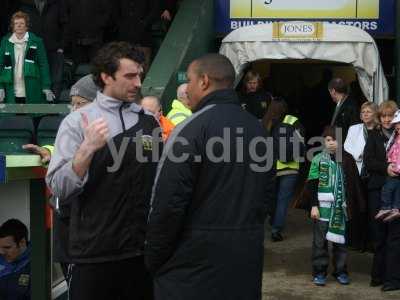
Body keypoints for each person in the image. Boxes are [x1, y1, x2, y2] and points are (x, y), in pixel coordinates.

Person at [145, 53, 276, 300]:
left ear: (204, 81)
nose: (187, 89)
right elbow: (267, 194)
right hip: (244, 258)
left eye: (191, 81)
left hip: (191, 267)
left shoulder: (191, 128)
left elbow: (167, 202)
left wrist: (154, 259)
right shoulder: (256, 128)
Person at [46, 41, 162, 300]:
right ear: (106, 77)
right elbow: (58, 187)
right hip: (92, 255)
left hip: (140, 254)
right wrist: (87, 149)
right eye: (130, 76)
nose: (138, 83)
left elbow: (157, 184)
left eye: (140, 75)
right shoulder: (77, 122)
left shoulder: (149, 121)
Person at [363, 100, 400, 291]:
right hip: (377, 190)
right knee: (378, 235)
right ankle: (377, 275)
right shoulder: (373, 136)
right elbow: (368, 161)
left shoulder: (399, 134)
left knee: (394, 235)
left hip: (396, 191)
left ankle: (392, 278)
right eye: (383, 116)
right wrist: (385, 168)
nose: (386, 119)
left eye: (390, 116)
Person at [308, 126, 350, 286]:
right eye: (328, 140)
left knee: (341, 243)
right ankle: (319, 272)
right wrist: (313, 206)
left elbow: (352, 185)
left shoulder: (346, 159)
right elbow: (312, 184)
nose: (332, 143)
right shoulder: (318, 159)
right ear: (324, 142)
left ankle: (341, 271)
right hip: (322, 208)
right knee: (320, 243)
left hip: (340, 208)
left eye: (335, 140)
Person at [262, 97, 305, 242]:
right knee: (283, 199)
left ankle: (272, 219)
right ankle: (276, 229)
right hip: (291, 167)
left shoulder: (266, 121)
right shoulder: (293, 120)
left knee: (271, 197)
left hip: (272, 167)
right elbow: (302, 141)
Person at [0, 11, 54, 104]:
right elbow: (1, 64)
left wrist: (46, 86)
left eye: (22, 23)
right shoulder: (5, 42)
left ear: (26, 26)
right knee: (13, 117)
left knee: (31, 114)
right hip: (11, 87)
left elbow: (43, 65)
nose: (19, 26)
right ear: (12, 26)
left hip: (32, 87)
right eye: (16, 23)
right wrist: (0, 87)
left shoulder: (37, 41)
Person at [19, 0, 69, 99]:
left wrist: (61, 46)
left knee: (55, 79)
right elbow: (19, 25)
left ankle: (52, 106)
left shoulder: (57, 4)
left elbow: (66, 26)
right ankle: (36, 106)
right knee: (33, 77)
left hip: (53, 48)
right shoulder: (24, 5)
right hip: (31, 48)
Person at [115, 0, 160, 72]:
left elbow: (155, 10)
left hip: (143, 35)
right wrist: (121, 25)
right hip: (125, 35)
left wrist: (144, 23)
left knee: (143, 64)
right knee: (124, 62)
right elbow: (115, 11)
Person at [375, 110, 400, 222]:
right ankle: (395, 208)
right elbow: (392, 151)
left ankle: (386, 207)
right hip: (394, 168)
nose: (397, 129)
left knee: (387, 188)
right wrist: (388, 162)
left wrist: (395, 167)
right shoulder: (396, 138)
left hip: (396, 170)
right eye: (396, 128)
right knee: (396, 189)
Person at [0, 219, 31, 300]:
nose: (2, 252)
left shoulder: (36, 264)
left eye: (7, 247)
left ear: (22, 242)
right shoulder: (1, 259)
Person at [344, 101, 378, 174]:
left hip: (376, 170)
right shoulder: (353, 129)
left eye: (368, 112)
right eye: (363, 112)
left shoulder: (380, 130)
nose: (365, 114)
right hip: (357, 168)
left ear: (375, 114)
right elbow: (347, 147)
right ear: (361, 116)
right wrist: (360, 155)